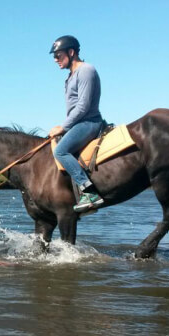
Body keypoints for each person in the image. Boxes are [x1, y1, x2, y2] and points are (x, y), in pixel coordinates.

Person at [48, 35, 106, 212]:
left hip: (89, 122)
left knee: (61, 151)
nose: (55, 59)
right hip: (79, 123)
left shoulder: (86, 70)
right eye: (54, 57)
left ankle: (90, 192)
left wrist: (63, 127)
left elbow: (83, 106)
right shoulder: (71, 76)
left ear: (71, 52)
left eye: (58, 55)